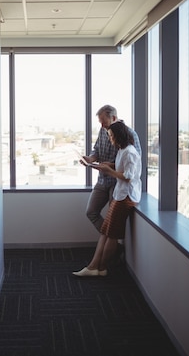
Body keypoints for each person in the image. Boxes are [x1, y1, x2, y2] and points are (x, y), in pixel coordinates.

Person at [73, 121, 142, 277]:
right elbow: (120, 167)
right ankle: (94, 267)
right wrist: (101, 165)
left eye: (111, 136)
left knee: (111, 234)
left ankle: (100, 267)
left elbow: (128, 177)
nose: (110, 139)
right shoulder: (122, 150)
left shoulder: (130, 152)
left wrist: (108, 171)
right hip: (120, 194)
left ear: (118, 136)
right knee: (105, 231)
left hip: (126, 197)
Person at [81, 105, 141, 232]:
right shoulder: (103, 131)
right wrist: (91, 159)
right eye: (100, 123)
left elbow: (135, 161)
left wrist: (111, 167)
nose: (102, 126)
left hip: (118, 184)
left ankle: (111, 244)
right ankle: (109, 241)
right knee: (91, 212)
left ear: (113, 118)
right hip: (102, 180)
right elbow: (97, 149)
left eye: (104, 122)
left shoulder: (130, 134)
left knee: (112, 221)